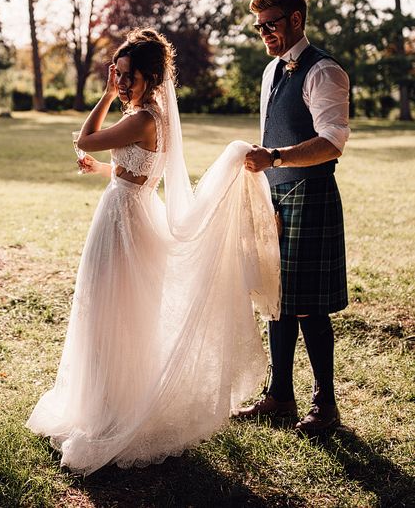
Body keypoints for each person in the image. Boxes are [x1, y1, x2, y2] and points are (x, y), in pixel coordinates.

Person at [27, 28, 281, 475]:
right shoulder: (155, 116)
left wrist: (103, 98)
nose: (122, 83)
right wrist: (106, 168)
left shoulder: (142, 117)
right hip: (136, 209)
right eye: (118, 75)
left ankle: (111, 412)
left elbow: (85, 138)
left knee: (110, 311)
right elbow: (139, 169)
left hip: (123, 220)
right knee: (123, 312)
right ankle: (112, 399)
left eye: (128, 76)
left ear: (150, 78)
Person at [238, 0, 350, 436]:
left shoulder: (325, 71)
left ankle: (325, 406)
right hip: (275, 194)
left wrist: (278, 158)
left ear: (296, 20)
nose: (265, 33)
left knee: (308, 305)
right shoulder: (270, 73)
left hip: (311, 192)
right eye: (259, 27)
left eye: (271, 25)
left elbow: (331, 142)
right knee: (276, 297)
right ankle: (280, 396)